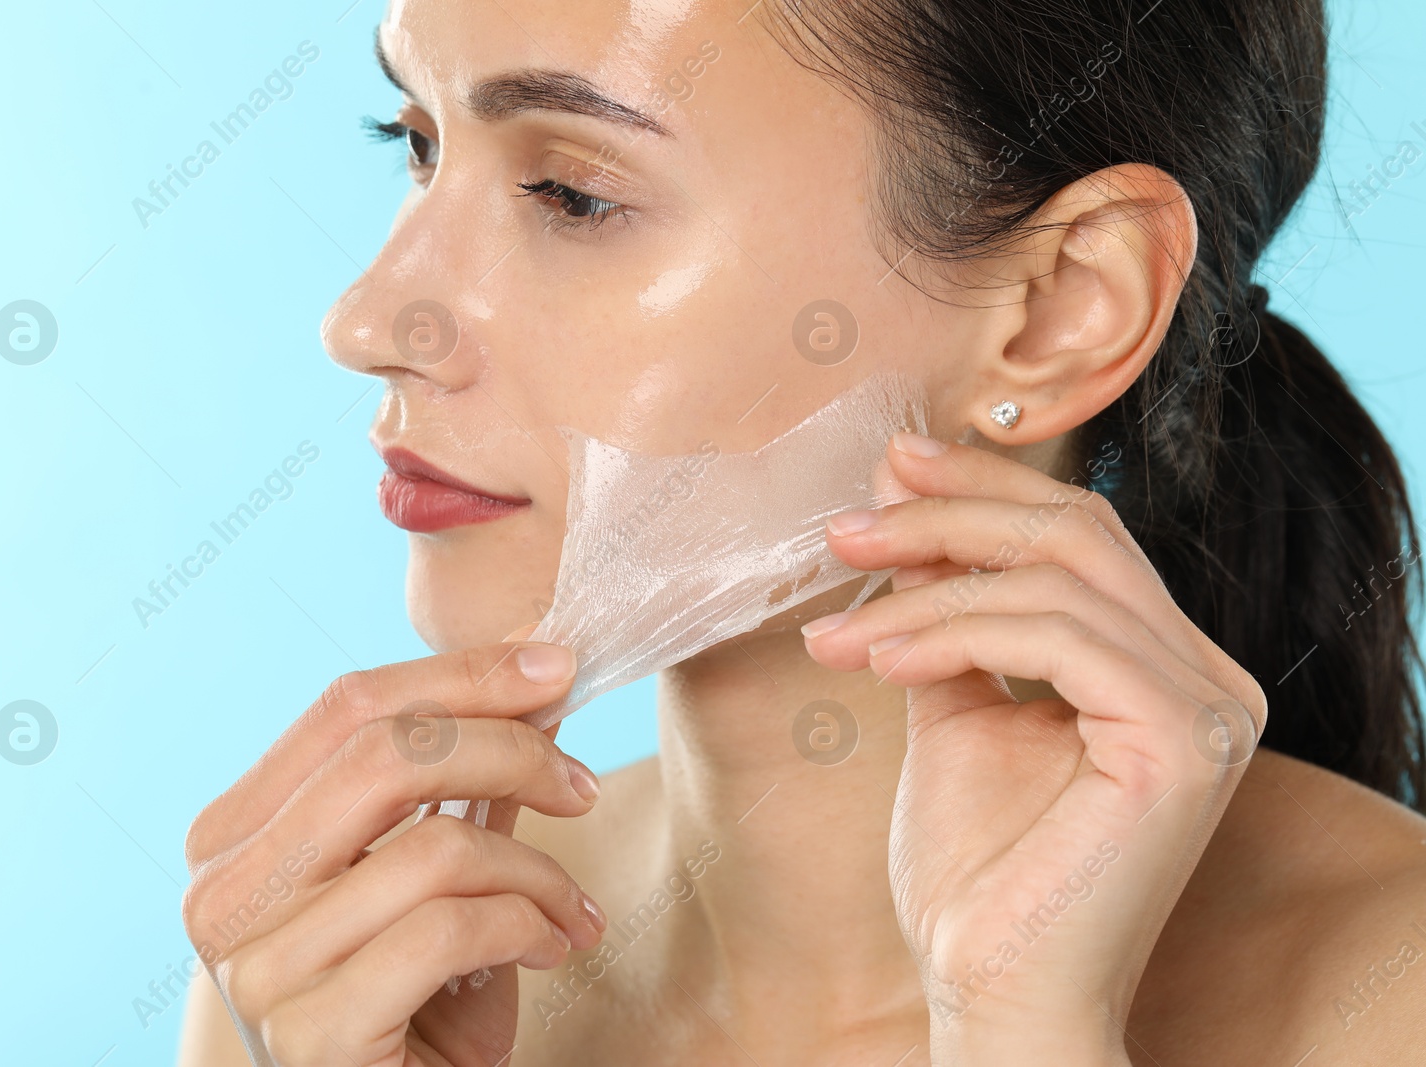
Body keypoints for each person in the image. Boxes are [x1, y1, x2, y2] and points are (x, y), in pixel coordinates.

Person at [176, 0, 1426, 1063]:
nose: (366, 318)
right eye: (415, 140)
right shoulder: (345, 980)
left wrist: (1024, 1026)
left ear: (1058, 309)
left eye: (572, 193)